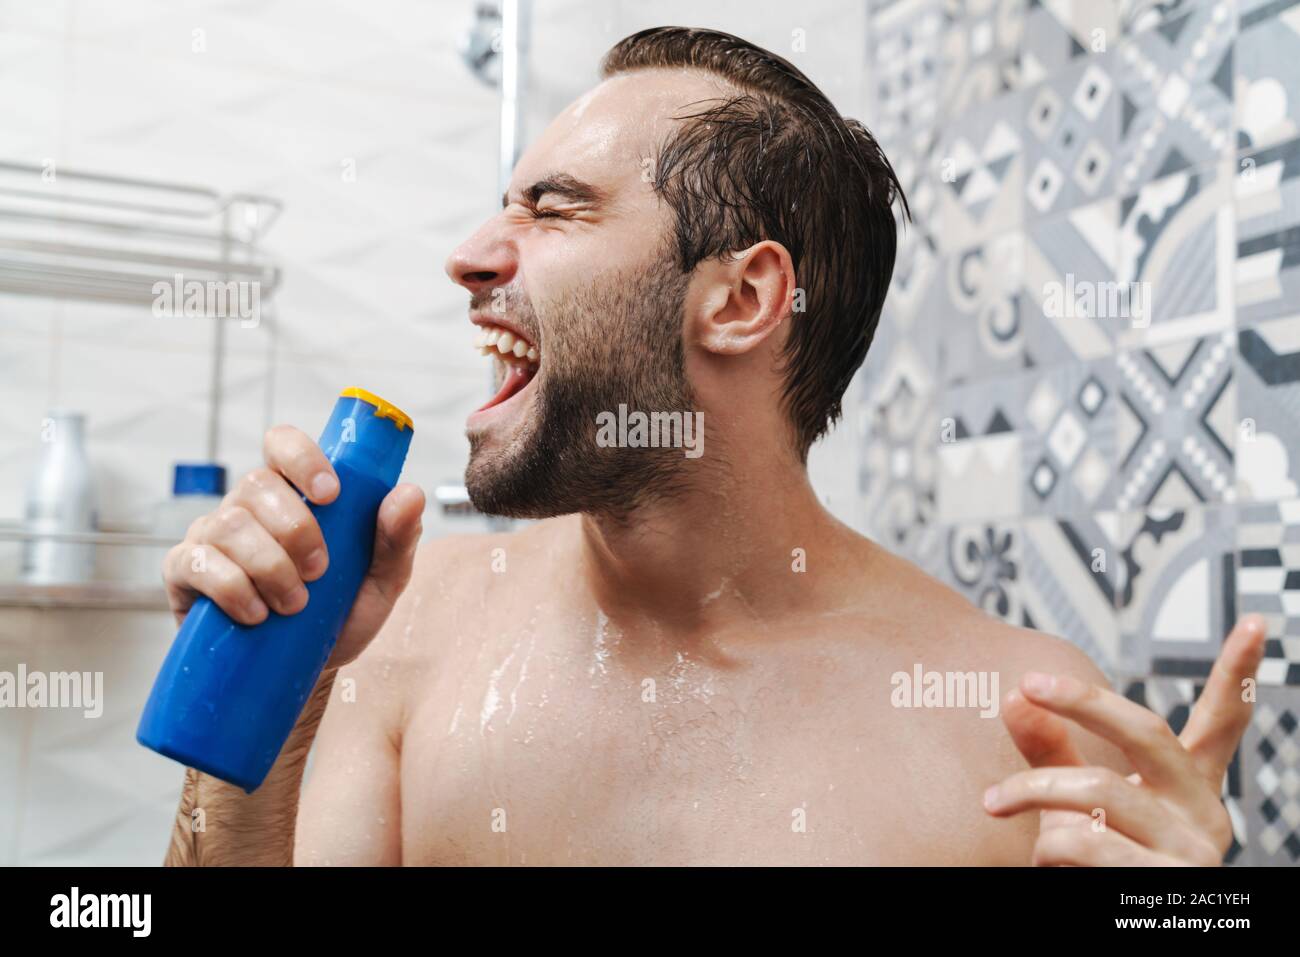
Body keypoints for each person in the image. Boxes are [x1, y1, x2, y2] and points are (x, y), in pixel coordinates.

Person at [161, 27, 1262, 866]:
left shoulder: (1023, 717)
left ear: (739, 298)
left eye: (552, 210)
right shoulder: (395, 638)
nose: (469, 257)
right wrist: (259, 727)